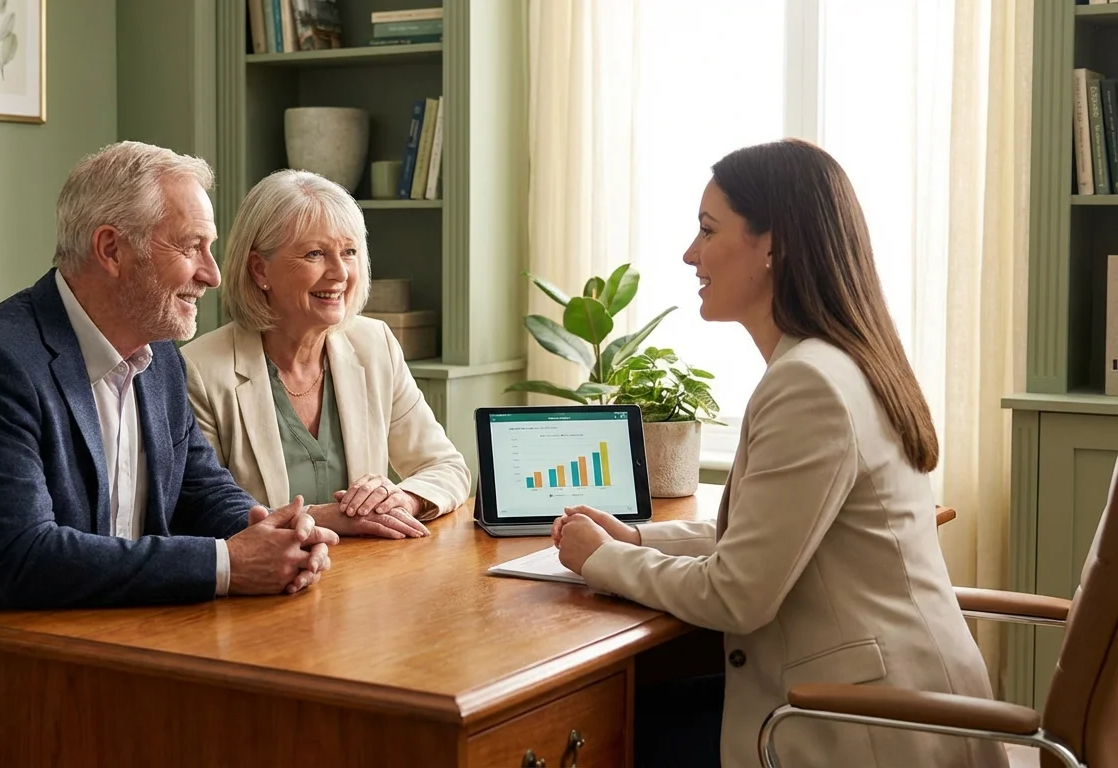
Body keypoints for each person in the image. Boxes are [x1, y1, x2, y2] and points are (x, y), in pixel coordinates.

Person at [0, 142, 337, 767]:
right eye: (191, 248)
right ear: (111, 249)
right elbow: (28, 558)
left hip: (100, 655)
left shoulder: (158, 361)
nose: (212, 273)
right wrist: (230, 564)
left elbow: (203, 492)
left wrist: (277, 534)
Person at [552, 139, 1006, 768]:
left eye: (708, 230)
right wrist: (637, 541)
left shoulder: (809, 383)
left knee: (605, 737)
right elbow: (757, 541)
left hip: (868, 726)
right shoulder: (835, 360)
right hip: (881, 696)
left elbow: (737, 595)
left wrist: (602, 562)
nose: (690, 253)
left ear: (774, 244)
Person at [180, 169, 471, 540]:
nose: (340, 273)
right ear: (259, 269)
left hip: (364, 582)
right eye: (315, 253)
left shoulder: (374, 344)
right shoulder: (201, 370)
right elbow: (205, 511)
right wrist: (325, 517)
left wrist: (403, 498)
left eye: (349, 252)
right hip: (266, 586)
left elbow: (447, 466)